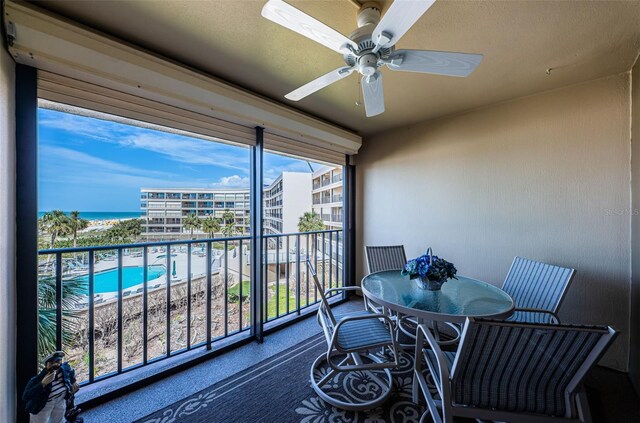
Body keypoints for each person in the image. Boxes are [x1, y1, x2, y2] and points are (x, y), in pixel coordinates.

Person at [22, 351, 82, 423]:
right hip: (44, 404)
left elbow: (70, 371)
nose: (55, 364)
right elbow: (26, 396)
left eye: (58, 361)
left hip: (60, 400)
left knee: (59, 419)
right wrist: (42, 384)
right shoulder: (37, 379)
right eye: (51, 363)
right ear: (47, 364)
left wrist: (73, 381)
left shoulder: (63, 370)